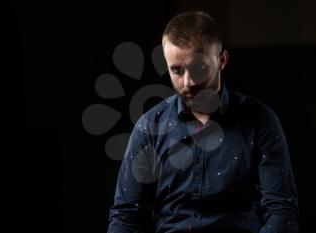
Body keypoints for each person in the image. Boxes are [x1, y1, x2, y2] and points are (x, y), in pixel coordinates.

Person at [107, 11, 299, 233]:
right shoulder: (149, 127)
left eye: (198, 67)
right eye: (176, 70)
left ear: (221, 61)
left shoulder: (261, 121)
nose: (188, 81)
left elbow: (281, 211)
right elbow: (126, 216)